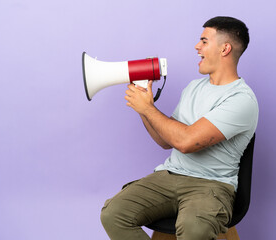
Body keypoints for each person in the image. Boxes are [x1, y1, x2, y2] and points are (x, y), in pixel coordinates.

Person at [100, 16, 259, 240]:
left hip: (211, 185)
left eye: (204, 41)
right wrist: (145, 107)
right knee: (113, 214)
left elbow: (186, 142)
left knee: (194, 230)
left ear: (225, 48)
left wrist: (148, 109)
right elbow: (166, 140)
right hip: (169, 176)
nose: (197, 46)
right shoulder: (193, 87)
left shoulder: (241, 99)